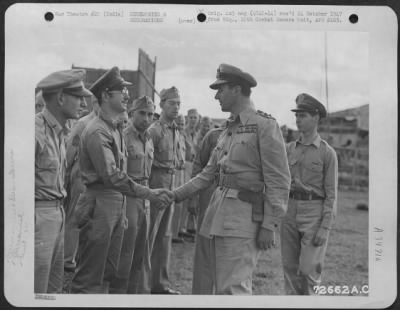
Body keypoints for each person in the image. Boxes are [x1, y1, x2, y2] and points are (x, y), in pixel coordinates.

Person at [170, 63, 291, 294]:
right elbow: (208, 173)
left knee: (233, 289)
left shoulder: (265, 126)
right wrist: (174, 195)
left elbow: (279, 181)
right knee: (207, 286)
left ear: (236, 90)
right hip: (215, 215)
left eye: (221, 89)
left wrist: (269, 225)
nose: (216, 95)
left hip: (241, 221)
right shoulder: (228, 129)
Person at [70, 67, 169, 294]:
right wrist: (148, 193)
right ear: (105, 96)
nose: (126, 95)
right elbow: (112, 175)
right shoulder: (97, 131)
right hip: (100, 205)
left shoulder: (113, 128)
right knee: (90, 277)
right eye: (121, 90)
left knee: (109, 273)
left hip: (116, 204)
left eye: (126, 90)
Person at [35, 69, 92, 293]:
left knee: (53, 288)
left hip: (56, 215)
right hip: (39, 218)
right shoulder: (36, 132)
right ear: (60, 98)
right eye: (78, 97)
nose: (83, 104)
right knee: (36, 290)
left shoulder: (59, 132)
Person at [280, 93, 338, 295]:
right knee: (289, 270)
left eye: (302, 115)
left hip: (314, 212)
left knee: (308, 272)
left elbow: (331, 194)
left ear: (316, 117)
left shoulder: (326, 152)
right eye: (296, 115)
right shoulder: (288, 149)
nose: (297, 119)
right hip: (290, 211)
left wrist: (325, 227)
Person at [109, 96, 156, 294]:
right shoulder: (124, 137)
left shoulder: (148, 138)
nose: (147, 118)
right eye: (142, 113)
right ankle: (118, 295)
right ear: (130, 114)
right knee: (125, 252)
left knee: (140, 252)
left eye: (150, 114)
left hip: (145, 198)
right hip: (128, 197)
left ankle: (134, 295)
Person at [147, 86, 185, 294]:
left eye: (179, 103)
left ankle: (159, 285)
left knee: (164, 237)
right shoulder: (154, 130)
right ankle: (142, 284)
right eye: (172, 103)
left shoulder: (176, 131)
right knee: (149, 237)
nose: (176, 107)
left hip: (171, 185)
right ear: (161, 105)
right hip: (155, 185)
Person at [63, 95, 100, 280]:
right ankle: (67, 259)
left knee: (90, 220)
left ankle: (79, 256)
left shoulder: (108, 123)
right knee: (74, 218)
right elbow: (70, 151)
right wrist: (65, 176)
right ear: (96, 103)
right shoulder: (83, 123)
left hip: (97, 180)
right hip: (80, 176)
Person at [189, 125, 224, 294]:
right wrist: (193, 197)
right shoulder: (213, 136)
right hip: (209, 191)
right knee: (204, 248)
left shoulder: (251, 133)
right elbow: (198, 166)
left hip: (235, 197)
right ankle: (201, 298)